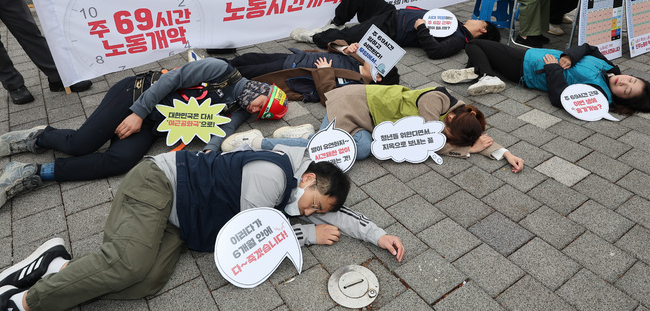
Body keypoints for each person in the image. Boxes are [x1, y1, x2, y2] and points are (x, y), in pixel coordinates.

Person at [0, 146, 405, 311]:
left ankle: (57, 266)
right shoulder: (273, 176)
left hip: (183, 221)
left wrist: (378, 235)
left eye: (317, 211)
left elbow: (338, 213)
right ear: (309, 179)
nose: (312, 212)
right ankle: (24, 302)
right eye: (313, 204)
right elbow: (253, 237)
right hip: (159, 184)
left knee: (146, 283)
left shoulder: (303, 188)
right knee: (127, 264)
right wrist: (308, 235)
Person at [0, 58, 288, 208]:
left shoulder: (239, 108)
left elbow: (224, 130)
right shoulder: (221, 70)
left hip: (156, 123)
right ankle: (39, 137)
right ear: (261, 89)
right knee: (80, 145)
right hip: (136, 95)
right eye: (260, 103)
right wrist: (137, 113)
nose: (253, 109)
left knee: (119, 161)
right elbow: (172, 79)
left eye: (259, 113)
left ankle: (32, 172)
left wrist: (208, 155)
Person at [223, 84, 525, 173]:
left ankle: (304, 134)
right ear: (448, 120)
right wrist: (467, 150)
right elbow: (430, 142)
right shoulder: (434, 103)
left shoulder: (462, 115)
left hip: (370, 122)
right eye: (447, 134)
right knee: (326, 151)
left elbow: (474, 135)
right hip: (352, 105)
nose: (447, 137)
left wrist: (504, 153)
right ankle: (257, 143)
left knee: (363, 149)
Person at [441, 40, 650, 115]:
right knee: (485, 51)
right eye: (631, 80)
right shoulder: (612, 70)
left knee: (475, 44)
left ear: (622, 99)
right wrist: (570, 56)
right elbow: (589, 48)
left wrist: (553, 68)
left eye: (626, 90)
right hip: (531, 56)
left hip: (526, 70)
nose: (623, 82)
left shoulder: (599, 95)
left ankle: (487, 75)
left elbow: (560, 98)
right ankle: (478, 71)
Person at [289, 0, 501, 60]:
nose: (475, 18)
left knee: (346, 39)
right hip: (390, 13)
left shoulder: (459, 39)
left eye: (479, 21)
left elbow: (435, 52)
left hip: (389, 30)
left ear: (483, 29)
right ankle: (336, 23)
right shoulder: (455, 23)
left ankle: (315, 37)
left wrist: (421, 28)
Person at [229, 41, 399, 105]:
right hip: (297, 58)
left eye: (377, 64)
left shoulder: (357, 86)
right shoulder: (359, 59)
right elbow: (333, 44)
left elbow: (330, 98)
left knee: (246, 72)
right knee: (248, 58)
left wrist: (325, 72)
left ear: (378, 77)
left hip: (291, 71)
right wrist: (345, 48)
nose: (373, 59)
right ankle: (221, 64)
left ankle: (218, 72)